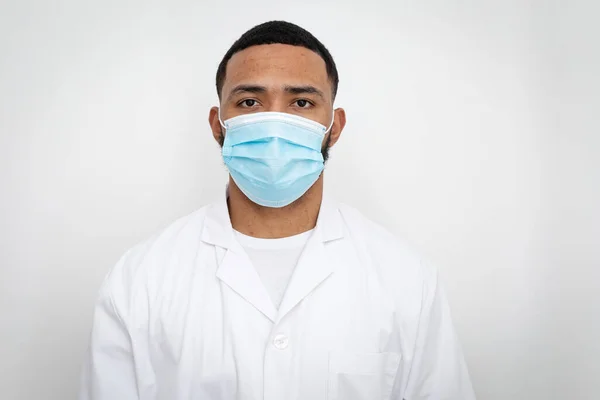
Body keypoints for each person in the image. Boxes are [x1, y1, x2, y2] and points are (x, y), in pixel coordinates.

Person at [79, 20, 475, 400]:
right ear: (218, 124)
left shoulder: (406, 280)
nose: (274, 122)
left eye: (301, 102)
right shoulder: (140, 282)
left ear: (333, 126)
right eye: (249, 101)